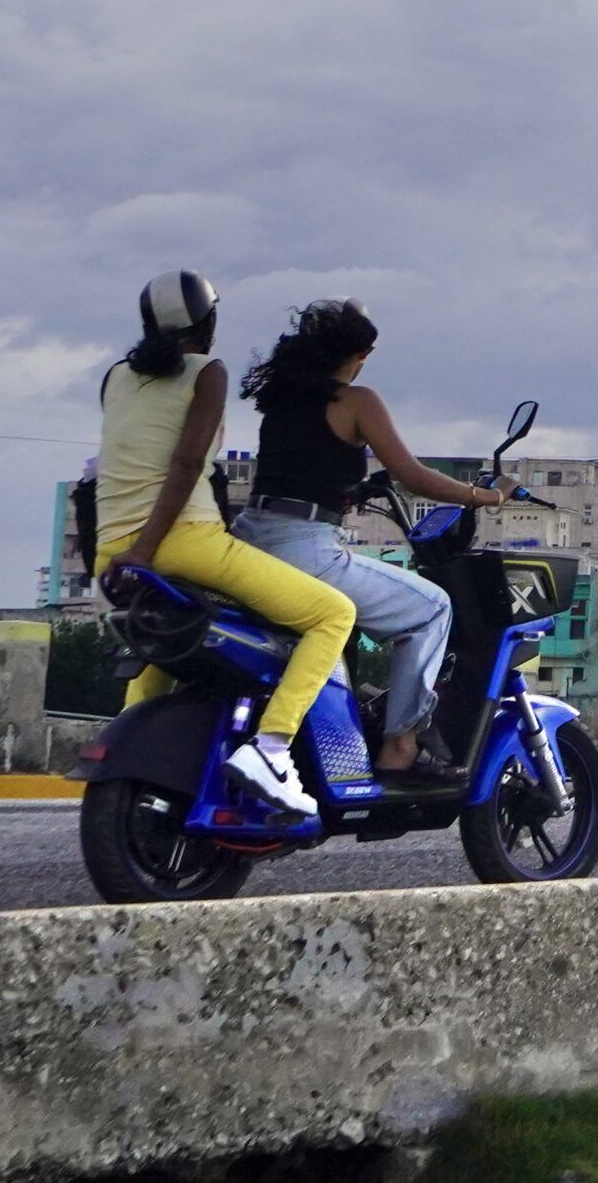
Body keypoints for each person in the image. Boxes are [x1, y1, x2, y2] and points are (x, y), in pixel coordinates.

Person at [97, 271, 356, 818]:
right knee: (333, 615)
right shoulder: (207, 372)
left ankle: (127, 749)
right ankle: (273, 749)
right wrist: (147, 549)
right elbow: (187, 462)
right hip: (182, 541)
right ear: (208, 322)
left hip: (108, 548)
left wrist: (132, 552)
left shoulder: (115, 377)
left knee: (173, 634)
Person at [235, 298, 516, 786]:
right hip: (304, 548)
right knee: (431, 608)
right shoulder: (357, 401)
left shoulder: (281, 400)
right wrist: (487, 496)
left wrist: (348, 489)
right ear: (358, 355)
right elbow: (412, 475)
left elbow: (301, 466)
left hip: (248, 539)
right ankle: (400, 743)